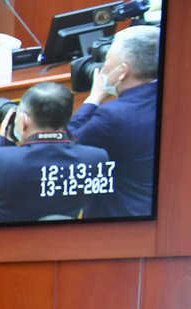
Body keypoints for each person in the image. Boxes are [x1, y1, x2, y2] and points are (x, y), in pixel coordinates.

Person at [0, 82, 112, 223]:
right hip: (61, 240)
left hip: (1, 242)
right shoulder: (96, 159)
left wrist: (4, 139)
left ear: (24, 120)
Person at [66, 24, 160, 219]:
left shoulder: (113, 115)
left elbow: (63, 148)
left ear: (122, 72)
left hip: (120, 223)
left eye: (107, 60)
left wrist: (93, 99)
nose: (102, 68)